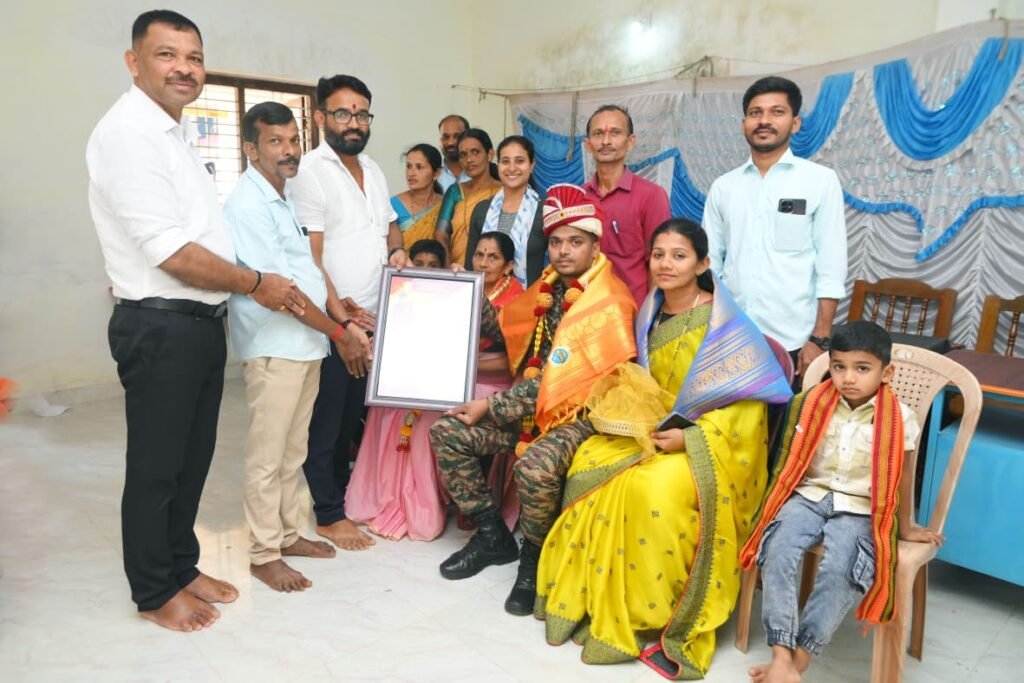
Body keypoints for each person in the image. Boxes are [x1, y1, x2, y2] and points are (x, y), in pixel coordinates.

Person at [87, 10, 304, 631]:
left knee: (191, 459)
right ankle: (155, 590)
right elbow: (172, 254)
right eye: (167, 54)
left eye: (194, 57)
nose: (184, 68)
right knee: (157, 466)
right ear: (134, 62)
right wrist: (255, 282)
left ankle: (181, 565)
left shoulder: (174, 132)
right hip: (161, 325)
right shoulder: (128, 134)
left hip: (199, 321)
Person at [535, 219, 793, 676]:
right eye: (658, 254)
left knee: (648, 489)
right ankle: (589, 600)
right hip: (650, 432)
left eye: (679, 255)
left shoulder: (726, 325)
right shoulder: (648, 314)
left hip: (707, 444)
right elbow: (642, 383)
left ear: (703, 264)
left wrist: (690, 438)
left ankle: (643, 614)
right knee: (587, 461)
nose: (666, 264)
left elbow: (748, 411)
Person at [430, 184, 637, 616]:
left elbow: (561, 380)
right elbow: (506, 325)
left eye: (575, 242)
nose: (563, 251)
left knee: (535, 467)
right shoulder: (548, 285)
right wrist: (462, 287)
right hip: (530, 411)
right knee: (448, 432)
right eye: (556, 242)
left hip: (579, 416)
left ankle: (534, 557)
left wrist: (491, 406)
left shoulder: (609, 301)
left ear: (594, 245)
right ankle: (493, 536)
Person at [739, 321, 941, 683]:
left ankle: (800, 658)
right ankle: (781, 652)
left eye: (862, 368)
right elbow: (788, 459)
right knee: (778, 548)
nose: (848, 378)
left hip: (861, 507)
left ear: (886, 372)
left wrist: (906, 526)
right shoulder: (811, 405)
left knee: (842, 568)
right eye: (839, 366)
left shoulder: (900, 419)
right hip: (809, 495)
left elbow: (904, 477)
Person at [226, 102, 371, 592]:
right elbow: (281, 293)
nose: (289, 150)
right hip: (275, 346)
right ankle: (263, 553)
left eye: (293, 140)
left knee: (293, 451)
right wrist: (339, 331)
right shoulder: (247, 205)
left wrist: (336, 314)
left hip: (304, 344)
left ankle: (288, 534)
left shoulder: (282, 197)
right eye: (275, 141)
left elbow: (305, 271)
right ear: (251, 149)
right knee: (267, 456)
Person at [289, 74, 407, 551]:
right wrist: (341, 324)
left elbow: (390, 228)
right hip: (334, 324)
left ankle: (342, 496)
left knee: (353, 420)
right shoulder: (310, 172)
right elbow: (311, 260)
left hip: (374, 319)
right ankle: (328, 513)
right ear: (321, 117)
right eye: (342, 113)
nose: (354, 123)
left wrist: (398, 252)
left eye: (361, 114)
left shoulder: (373, 170)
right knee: (327, 419)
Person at [702, 76, 847, 378]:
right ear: (744, 123)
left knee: (788, 411)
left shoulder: (819, 181)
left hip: (795, 340)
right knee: (730, 411)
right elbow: (709, 264)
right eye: (755, 113)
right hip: (731, 336)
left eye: (777, 112)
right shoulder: (724, 187)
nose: (764, 121)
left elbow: (831, 264)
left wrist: (820, 338)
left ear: (795, 123)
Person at [344, 239, 453, 541]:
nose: (426, 270)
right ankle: (384, 498)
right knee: (386, 420)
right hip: (394, 387)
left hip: (430, 390)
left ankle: (419, 506)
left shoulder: (451, 300)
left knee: (423, 431)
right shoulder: (396, 295)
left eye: (434, 266)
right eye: (420, 264)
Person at [582, 104, 672, 306]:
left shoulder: (652, 196)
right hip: (587, 311)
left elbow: (659, 262)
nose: (606, 141)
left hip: (633, 311)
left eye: (615, 133)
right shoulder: (579, 198)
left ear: (630, 141)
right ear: (588, 144)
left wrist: (650, 316)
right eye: (598, 134)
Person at [465, 135, 546, 287]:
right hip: (484, 298)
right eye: (505, 161)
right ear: (498, 165)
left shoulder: (544, 210)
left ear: (532, 165)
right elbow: (471, 265)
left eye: (520, 161)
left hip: (529, 298)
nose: (512, 168)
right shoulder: (482, 209)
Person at [433, 129, 501, 266]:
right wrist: (448, 270)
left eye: (475, 152)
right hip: (457, 270)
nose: (469, 160)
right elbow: (441, 235)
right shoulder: (455, 191)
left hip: (494, 269)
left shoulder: (503, 192)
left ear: (490, 154)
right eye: (463, 155)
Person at [392, 144, 444, 251]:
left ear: (436, 173)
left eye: (419, 167)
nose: (411, 173)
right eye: (408, 166)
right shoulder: (393, 205)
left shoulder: (445, 205)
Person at [438, 114, 470, 192]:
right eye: (446, 137)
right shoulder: (431, 173)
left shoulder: (481, 171)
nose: (451, 142)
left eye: (457, 136)